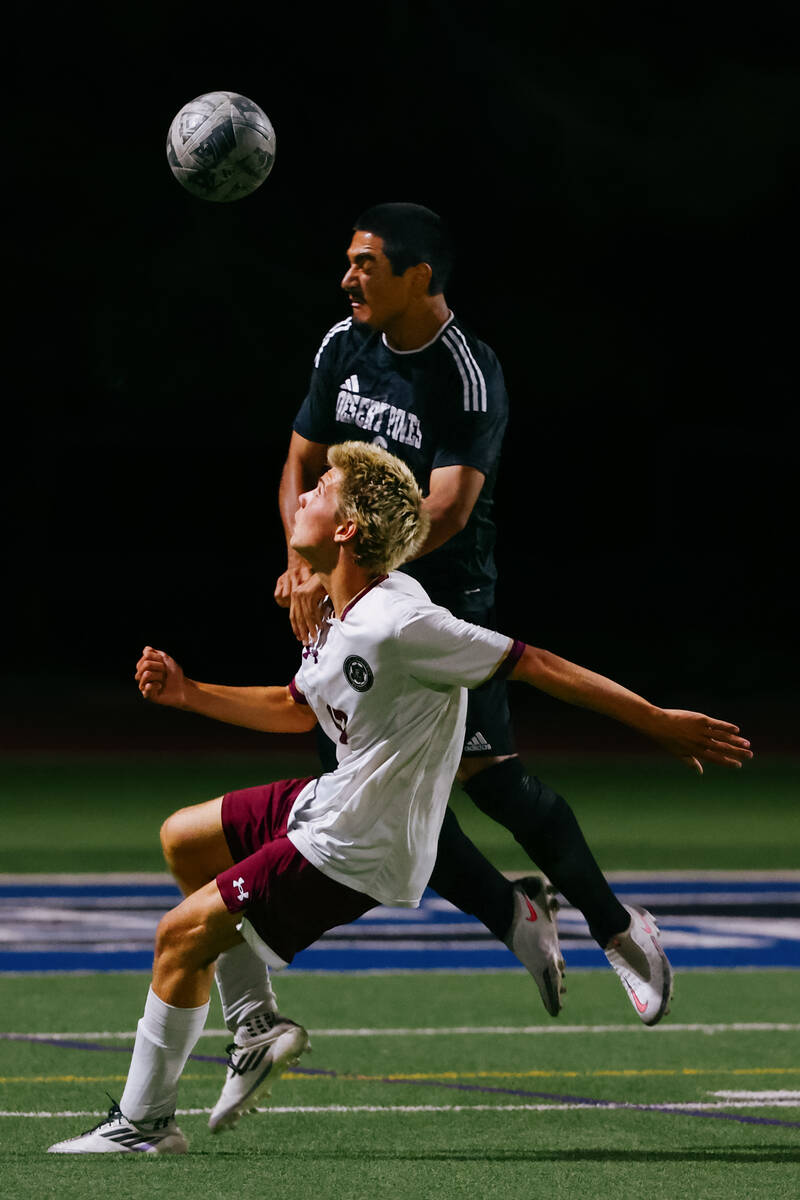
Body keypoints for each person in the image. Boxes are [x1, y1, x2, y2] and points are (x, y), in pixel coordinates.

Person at [48, 441, 751, 1155]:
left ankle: (144, 1126)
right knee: (185, 840)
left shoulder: (402, 622)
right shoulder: (335, 607)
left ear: (348, 528)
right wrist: (190, 693)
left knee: (178, 937)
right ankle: (257, 1028)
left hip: (361, 843)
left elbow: (532, 662)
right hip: (338, 800)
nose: (306, 493)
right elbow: (296, 707)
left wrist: (656, 720)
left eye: (321, 487)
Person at [273, 202, 692, 1022]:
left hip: (434, 595)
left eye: (366, 263)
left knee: (486, 780)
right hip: (350, 591)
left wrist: (340, 578)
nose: (348, 276)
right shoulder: (340, 346)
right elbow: (299, 459)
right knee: (368, 787)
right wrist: (302, 564)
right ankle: (515, 913)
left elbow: (449, 508)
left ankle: (613, 926)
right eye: (349, 261)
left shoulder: (466, 372)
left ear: (418, 276)